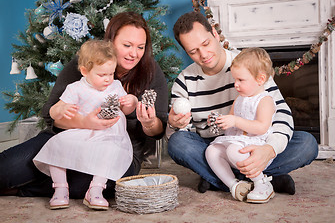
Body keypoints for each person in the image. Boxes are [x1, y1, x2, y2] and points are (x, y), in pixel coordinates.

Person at [0, 12, 168, 199]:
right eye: (127, 45)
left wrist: (149, 122)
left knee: (98, 183)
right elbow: (50, 115)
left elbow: (159, 129)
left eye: (140, 47)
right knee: (7, 168)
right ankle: (39, 178)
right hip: (68, 137)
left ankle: (23, 189)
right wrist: (85, 122)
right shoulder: (86, 63)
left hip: (117, 149)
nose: (134, 53)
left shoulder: (151, 72)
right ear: (111, 42)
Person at [167, 11, 318, 196]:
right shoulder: (184, 81)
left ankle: (223, 179)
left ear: (215, 33)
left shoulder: (249, 65)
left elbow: (280, 113)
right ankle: (262, 179)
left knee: (307, 144)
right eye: (193, 51)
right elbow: (181, 136)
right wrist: (175, 124)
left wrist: (269, 150)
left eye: (205, 43)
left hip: (256, 141)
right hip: (217, 146)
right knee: (178, 143)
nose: (203, 54)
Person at [33, 39, 137, 210]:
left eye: (111, 74)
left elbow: (125, 109)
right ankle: (60, 188)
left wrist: (131, 101)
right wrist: (62, 109)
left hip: (109, 134)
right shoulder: (75, 88)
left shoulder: (115, 86)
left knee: (110, 152)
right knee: (57, 144)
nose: (107, 79)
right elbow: (56, 109)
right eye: (102, 75)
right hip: (83, 130)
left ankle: (95, 190)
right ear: (84, 71)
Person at [206, 47, 277, 203]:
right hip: (236, 142)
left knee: (233, 150)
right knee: (211, 151)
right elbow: (231, 123)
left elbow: (261, 127)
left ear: (260, 79)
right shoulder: (239, 99)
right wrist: (221, 122)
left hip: (255, 148)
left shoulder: (265, 100)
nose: (236, 85)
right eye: (234, 80)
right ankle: (234, 185)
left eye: (241, 80)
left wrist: (236, 121)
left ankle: (262, 183)